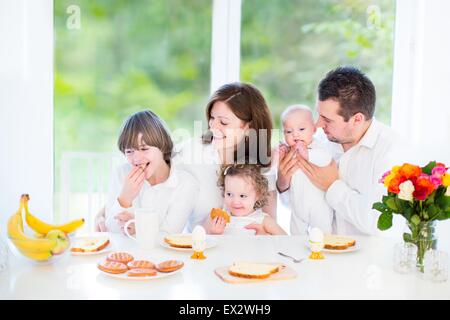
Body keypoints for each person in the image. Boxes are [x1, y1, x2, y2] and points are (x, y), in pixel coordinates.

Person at [277, 66, 400, 235]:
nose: (318, 125)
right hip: (318, 253)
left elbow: (381, 224)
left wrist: (332, 186)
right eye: (318, 115)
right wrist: (283, 182)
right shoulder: (319, 140)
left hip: (363, 259)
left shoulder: (391, 152)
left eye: (327, 119)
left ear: (357, 119)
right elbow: (298, 205)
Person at [173, 82, 277, 232]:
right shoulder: (190, 152)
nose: (213, 127)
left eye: (223, 122)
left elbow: (270, 223)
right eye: (212, 118)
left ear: (248, 127)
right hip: (200, 249)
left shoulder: (262, 161)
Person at [104, 110, 199, 235]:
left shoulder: (185, 184)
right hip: (125, 253)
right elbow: (111, 229)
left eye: (144, 149)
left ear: (163, 146)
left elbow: (171, 234)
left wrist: (141, 228)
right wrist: (125, 198)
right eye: (129, 151)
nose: (136, 159)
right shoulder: (121, 174)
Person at [277, 105, 333, 235]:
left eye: (301, 129)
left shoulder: (317, 146)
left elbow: (326, 159)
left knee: (322, 234)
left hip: (318, 204)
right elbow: (283, 175)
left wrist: (307, 154)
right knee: (296, 235)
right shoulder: (290, 150)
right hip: (297, 205)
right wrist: (281, 154)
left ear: (313, 129)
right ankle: (297, 252)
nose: (295, 134)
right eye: (288, 132)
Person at [204, 164, 286, 235]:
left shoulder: (263, 220)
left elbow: (287, 242)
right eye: (229, 194)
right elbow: (200, 241)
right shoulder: (217, 218)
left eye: (242, 196)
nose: (235, 202)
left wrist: (265, 239)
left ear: (258, 195)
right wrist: (214, 234)